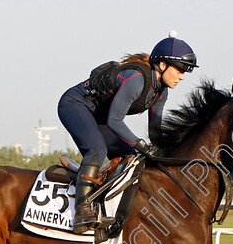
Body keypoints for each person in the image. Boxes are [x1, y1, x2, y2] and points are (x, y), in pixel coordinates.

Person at [57, 31, 198, 233]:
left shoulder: (161, 91)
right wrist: (138, 142)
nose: (182, 76)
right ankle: (82, 212)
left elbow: (155, 131)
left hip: (99, 115)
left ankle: (106, 203)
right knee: (97, 150)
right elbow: (115, 121)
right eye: (180, 69)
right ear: (163, 65)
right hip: (75, 105)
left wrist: (166, 153)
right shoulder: (137, 80)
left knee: (130, 156)